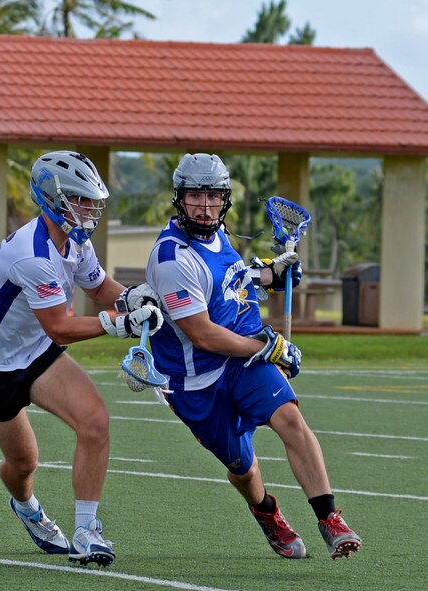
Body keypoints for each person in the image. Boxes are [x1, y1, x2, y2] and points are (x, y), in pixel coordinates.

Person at [141, 153, 361, 560]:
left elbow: (232, 278)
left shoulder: (219, 234)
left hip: (242, 359)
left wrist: (270, 274)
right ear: (179, 198)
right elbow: (203, 334)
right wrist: (270, 346)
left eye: (212, 196)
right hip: (197, 381)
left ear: (224, 198)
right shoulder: (172, 258)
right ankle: (266, 510)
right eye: (195, 196)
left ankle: (330, 519)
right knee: (244, 469)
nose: (204, 206)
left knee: (291, 419)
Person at [0, 150, 162, 567]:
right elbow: (61, 327)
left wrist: (129, 296)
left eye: (91, 200)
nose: (89, 209)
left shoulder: (74, 240)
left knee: (95, 420)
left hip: (35, 353)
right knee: (23, 463)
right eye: (80, 199)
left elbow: (99, 286)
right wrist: (116, 323)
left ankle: (86, 531)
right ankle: (28, 508)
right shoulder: (33, 254)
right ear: (52, 198)